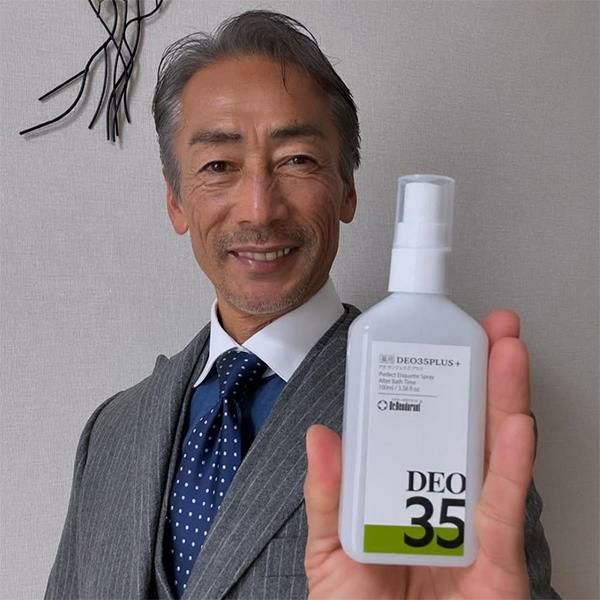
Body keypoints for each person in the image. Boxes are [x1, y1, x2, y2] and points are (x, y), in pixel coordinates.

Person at [45, 10, 558, 600]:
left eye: (297, 160)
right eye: (218, 166)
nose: (259, 210)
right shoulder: (112, 432)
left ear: (347, 190)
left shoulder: (447, 401)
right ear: (176, 201)